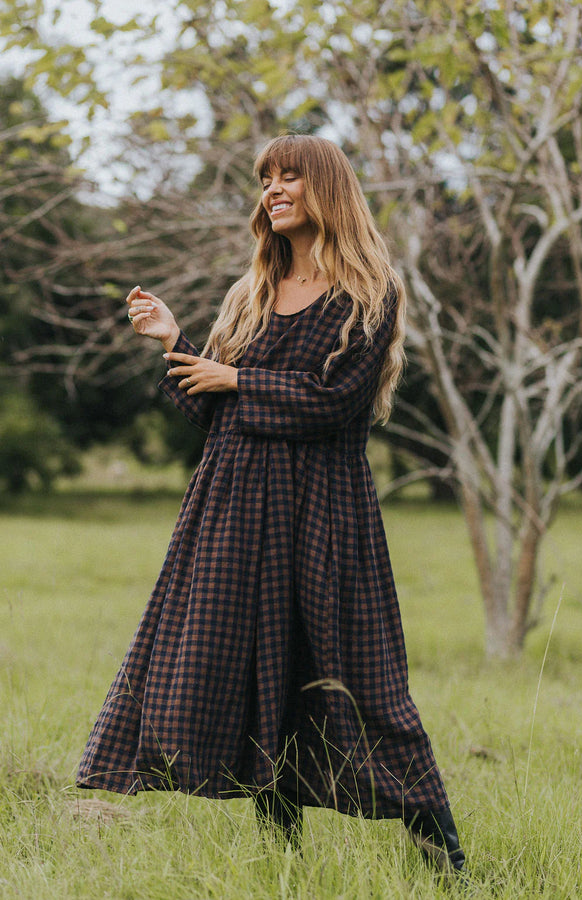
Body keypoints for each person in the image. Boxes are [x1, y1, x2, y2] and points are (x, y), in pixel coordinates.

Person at [77, 134, 466, 878]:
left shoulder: (369, 292)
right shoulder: (251, 292)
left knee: (369, 688)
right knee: (260, 679)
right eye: (265, 179)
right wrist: (174, 343)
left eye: (289, 176)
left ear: (327, 188)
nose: (273, 189)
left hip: (324, 514)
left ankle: (447, 866)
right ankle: (282, 869)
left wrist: (235, 382)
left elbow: (335, 402)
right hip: (232, 511)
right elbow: (214, 410)